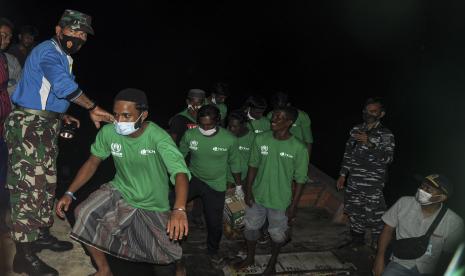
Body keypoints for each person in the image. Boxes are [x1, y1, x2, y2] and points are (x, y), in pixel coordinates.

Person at [5, 9, 113, 276]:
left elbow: (44, 90)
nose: (77, 37)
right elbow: (63, 86)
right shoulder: (49, 52)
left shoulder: (63, 55)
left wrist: (62, 114)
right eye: (73, 31)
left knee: (45, 184)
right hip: (29, 127)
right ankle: (23, 255)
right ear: (58, 29)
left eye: (82, 34)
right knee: (28, 188)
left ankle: (40, 233)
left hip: (44, 124)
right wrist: (92, 107)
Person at [56, 88, 190, 276]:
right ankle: (104, 270)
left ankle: (180, 266)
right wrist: (69, 193)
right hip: (121, 189)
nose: (119, 121)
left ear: (143, 115)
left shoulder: (158, 137)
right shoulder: (109, 132)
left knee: (169, 253)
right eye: (117, 114)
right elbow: (93, 161)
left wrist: (179, 209)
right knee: (83, 213)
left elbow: (180, 173)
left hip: (153, 201)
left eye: (127, 116)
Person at [236, 106, 309, 275]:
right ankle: (250, 257)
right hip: (258, 195)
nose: (274, 119)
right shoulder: (261, 139)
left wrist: (293, 206)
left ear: (289, 122)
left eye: (280, 117)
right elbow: (252, 166)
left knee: (277, 234)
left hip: (280, 200)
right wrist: (248, 191)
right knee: (251, 228)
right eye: (274, 116)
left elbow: (300, 180)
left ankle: (272, 264)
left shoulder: (299, 148)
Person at [178, 104, 242, 265]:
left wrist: (238, 186)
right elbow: (179, 155)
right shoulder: (190, 134)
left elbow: (235, 164)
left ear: (218, 121)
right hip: (193, 178)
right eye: (202, 124)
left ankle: (212, 250)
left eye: (209, 124)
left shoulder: (229, 139)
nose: (205, 128)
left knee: (214, 223)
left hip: (216, 184)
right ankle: (169, 244)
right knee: (170, 203)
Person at [373, 174, 464, 276]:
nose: (422, 190)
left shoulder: (454, 223)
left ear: (441, 197)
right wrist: (379, 259)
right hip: (400, 262)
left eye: (428, 189)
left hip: (429, 270)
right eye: (422, 186)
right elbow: (388, 229)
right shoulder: (404, 203)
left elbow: (449, 255)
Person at [336, 97, 395, 248]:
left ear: (381, 114)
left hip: (373, 183)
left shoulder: (385, 134)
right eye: (366, 111)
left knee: (375, 216)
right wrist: (343, 174)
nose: (369, 114)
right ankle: (357, 241)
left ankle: (378, 246)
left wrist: (370, 144)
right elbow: (348, 153)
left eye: (373, 111)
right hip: (354, 180)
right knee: (354, 212)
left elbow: (388, 158)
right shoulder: (356, 129)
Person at [268, 91, 313, 161]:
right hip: (278, 153)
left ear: (288, 105)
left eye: (281, 107)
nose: (277, 111)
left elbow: (308, 141)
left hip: (296, 153)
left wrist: (306, 162)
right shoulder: (270, 115)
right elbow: (269, 137)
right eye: (275, 108)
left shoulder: (302, 116)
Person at [0, 23, 12, 234]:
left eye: (7, 37)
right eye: (1, 35)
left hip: (2, 126)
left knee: (2, 176)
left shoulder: (3, 58)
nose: (5, 40)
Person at [226, 110, 255, 189]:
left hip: (244, 178)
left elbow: (255, 163)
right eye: (230, 126)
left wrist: (248, 180)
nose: (231, 129)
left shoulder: (253, 139)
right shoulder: (226, 134)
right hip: (226, 177)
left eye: (235, 126)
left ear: (244, 125)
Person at [0, 18, 21, 97]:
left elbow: (20, 81)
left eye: (9, 37)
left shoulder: (11, 60)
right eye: (3, 35)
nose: (8, 41)